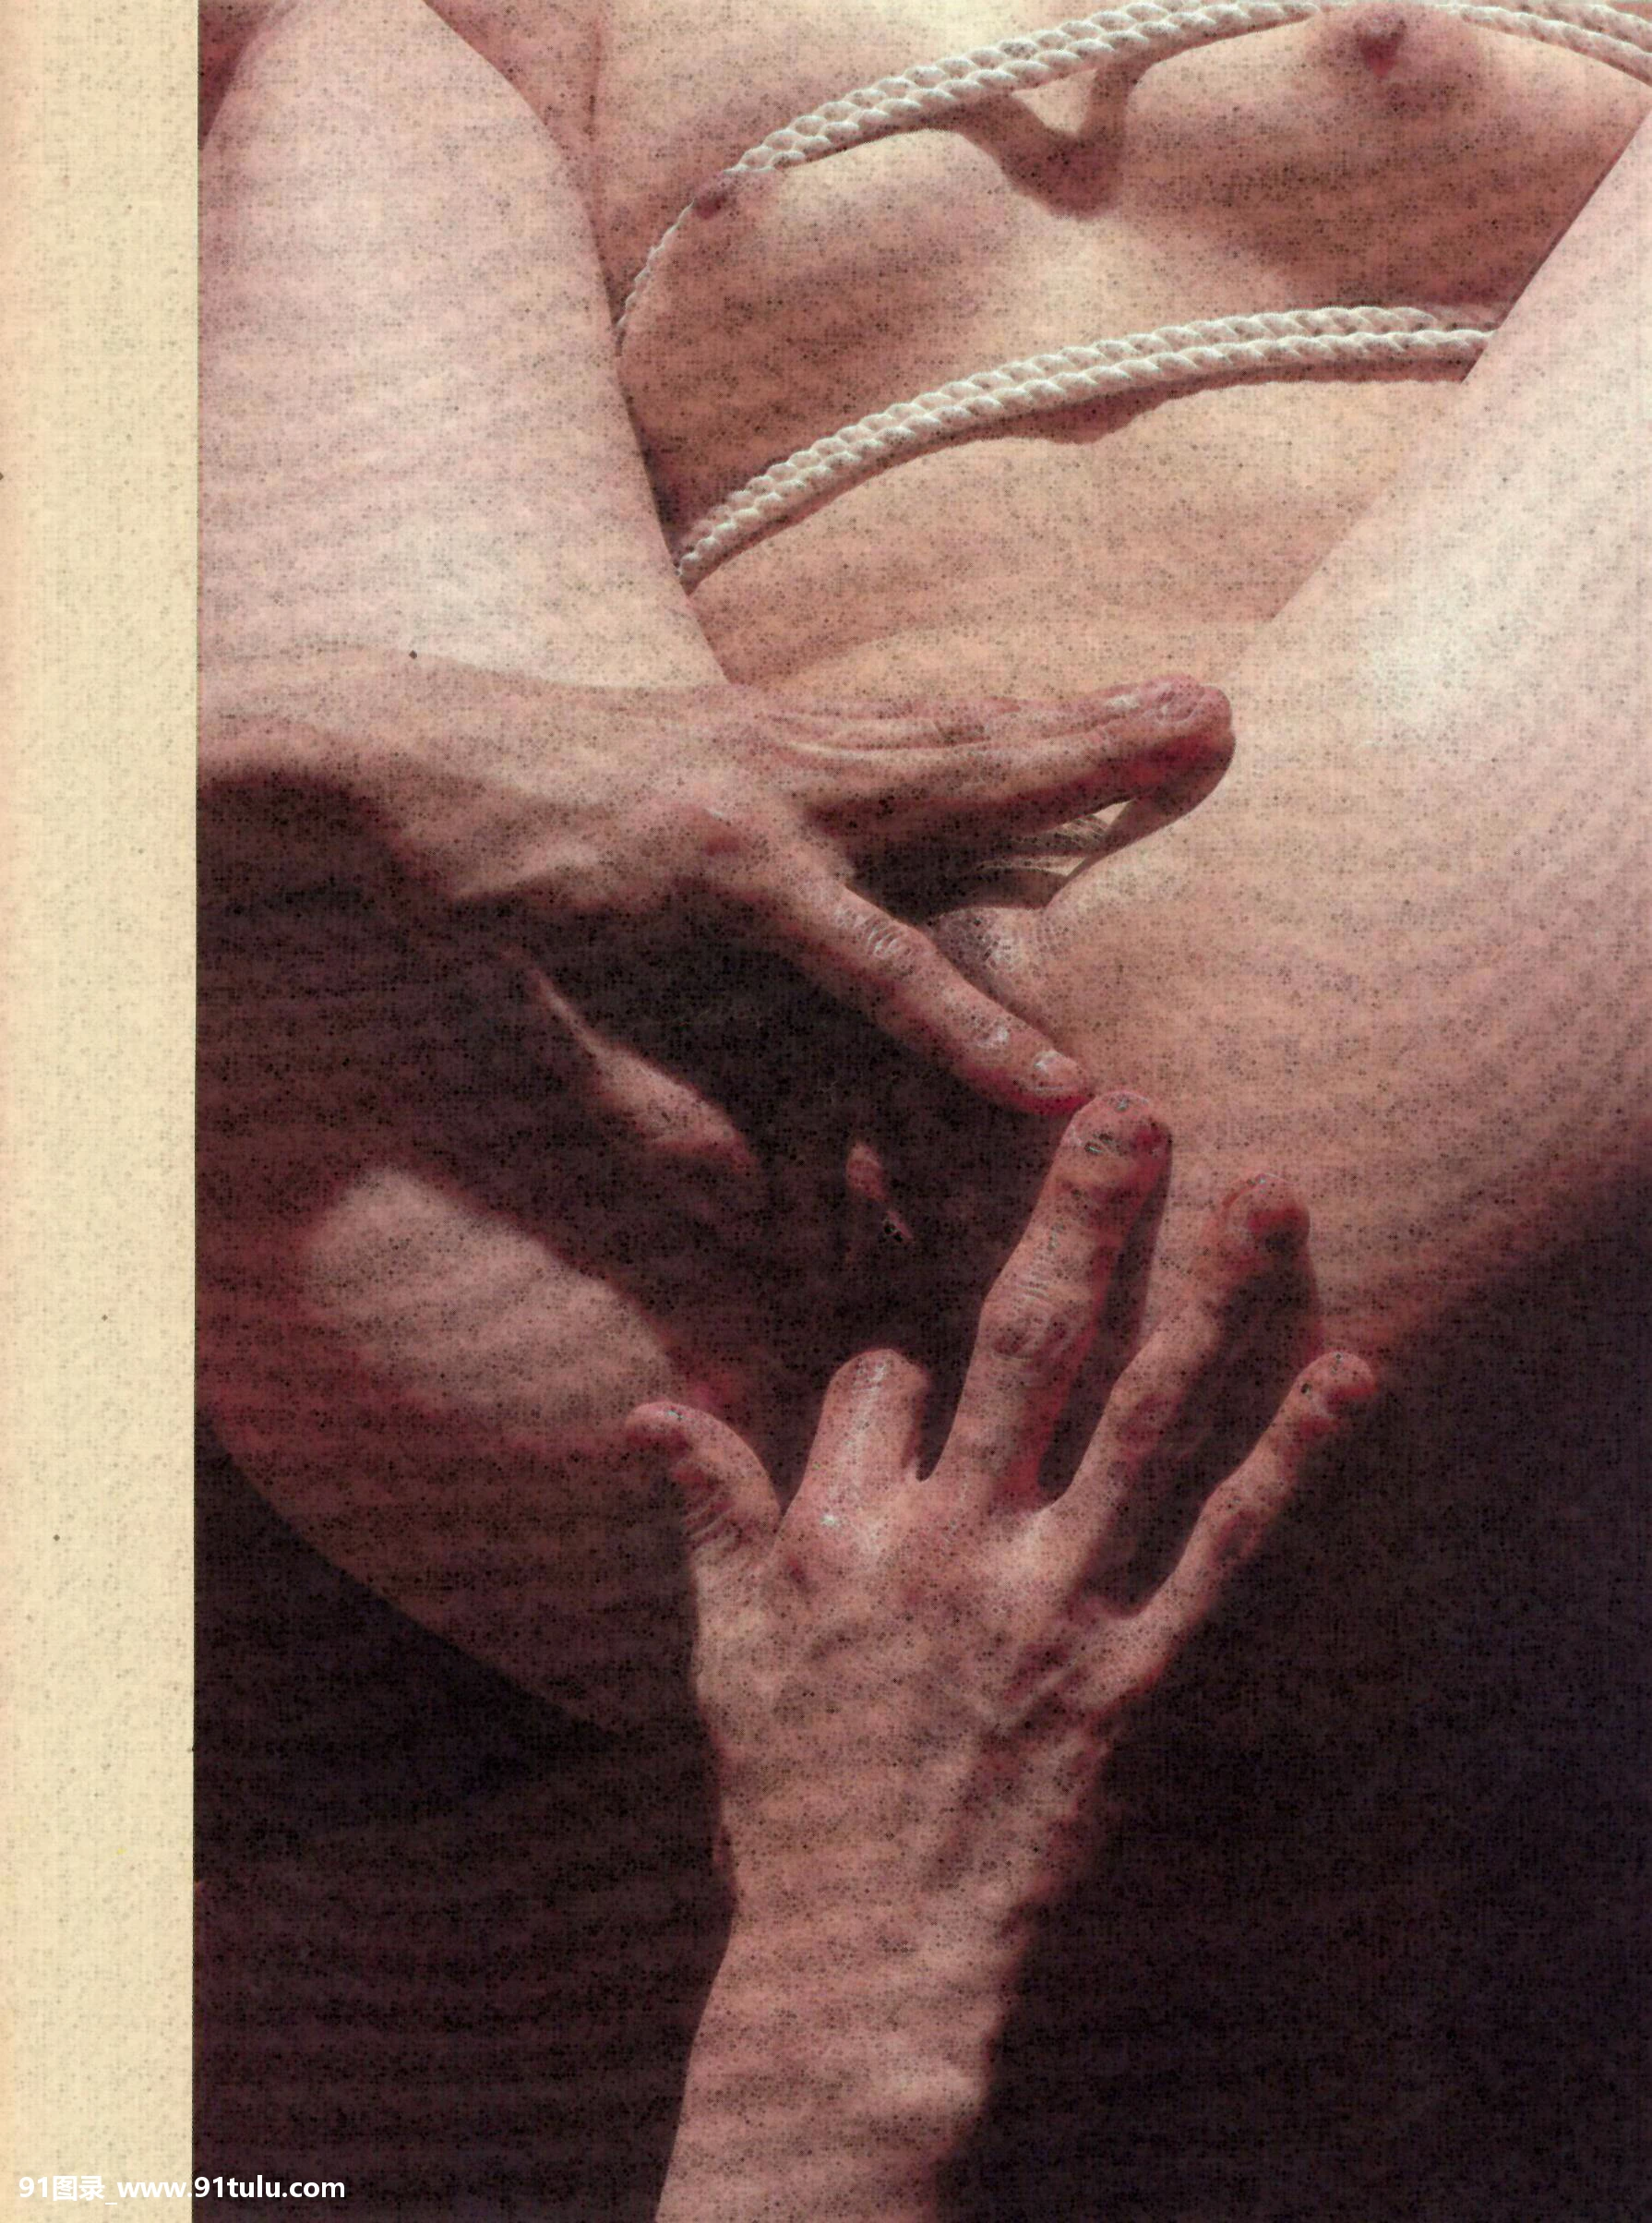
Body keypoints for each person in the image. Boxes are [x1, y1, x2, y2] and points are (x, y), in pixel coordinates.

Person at [197, 0, 1651, 2212]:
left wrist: (362, 751)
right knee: (343, 58)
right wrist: (424, 753)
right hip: (638, 1210)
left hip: (1280, 1066)